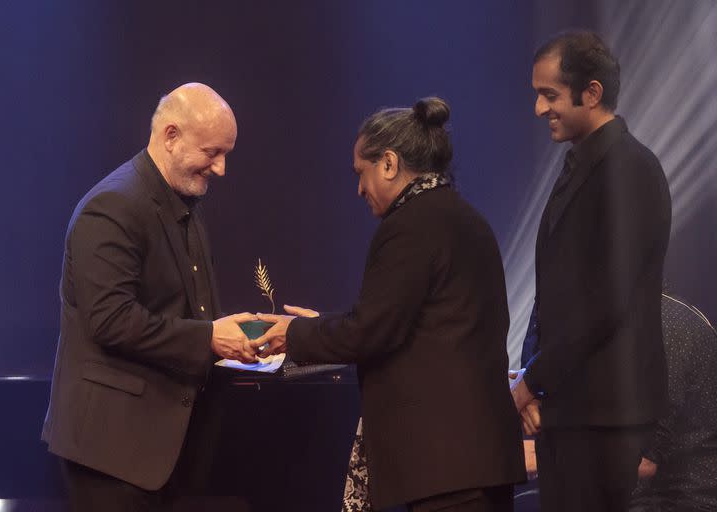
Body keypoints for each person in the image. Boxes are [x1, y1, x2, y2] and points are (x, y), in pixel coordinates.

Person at [255, 97, 526, 511]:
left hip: (443, 465)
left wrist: (295, 334)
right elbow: (409, 322)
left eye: (361, 173)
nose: (359, 188)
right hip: (477, 460)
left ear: (389, 163)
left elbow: (372, 330)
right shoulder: (464, 217)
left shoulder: (410, 224)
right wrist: (324, 324)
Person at [41, 83, 260, 510]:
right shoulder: (111, 207)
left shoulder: (184, 203)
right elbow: (110, 320)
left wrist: (235, 332)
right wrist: (209, 338)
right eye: (212, 152)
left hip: (165, 450)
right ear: (171, 137)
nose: (221, 169)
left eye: (226, 154)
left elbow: (187, 313)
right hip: (112, 452)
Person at [508, 31, 672, 512]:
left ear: (592, 92)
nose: (539, 109)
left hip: (604, 413)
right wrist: (535, 379)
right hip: (573, 407)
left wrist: (533, 383)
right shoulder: (583, 164)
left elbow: (604, 302)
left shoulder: (631, 170)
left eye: (549, 95)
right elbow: (555, 290)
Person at [630, 293, 717, 511]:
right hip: (653, 496)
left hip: (683, 502)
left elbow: (644, 462)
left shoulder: (663, 327)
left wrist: (552, 458)